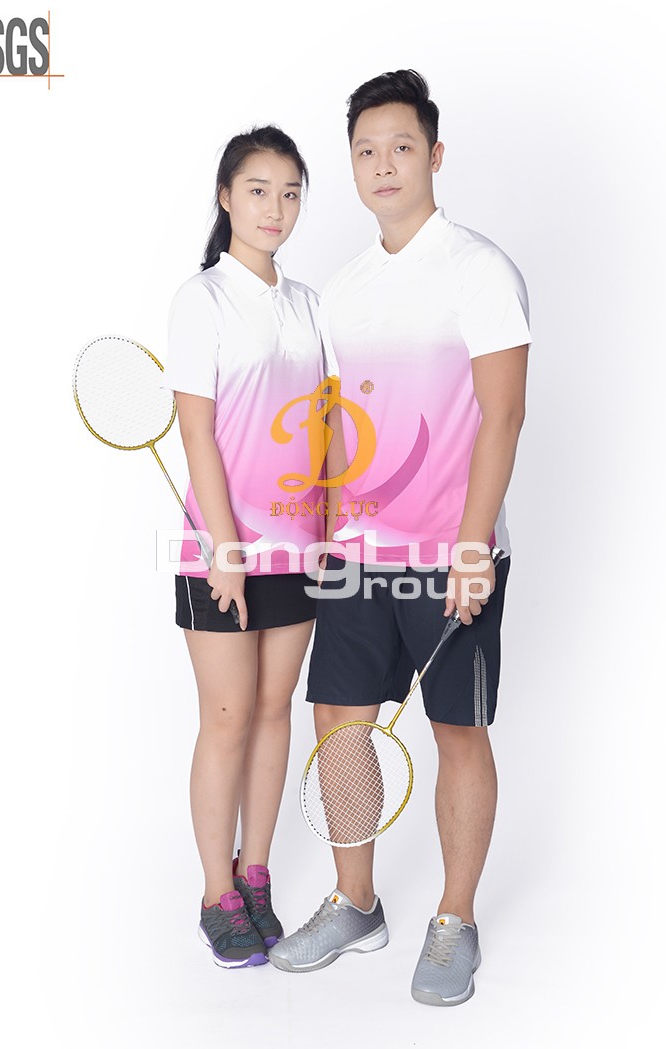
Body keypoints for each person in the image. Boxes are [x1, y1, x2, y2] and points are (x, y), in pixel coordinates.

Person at [268, 70, 532, 1007]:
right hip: (360, 556)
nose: (384, 165)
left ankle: (454, 918)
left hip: (452, 557)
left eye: (402, 147)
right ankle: (356, 901)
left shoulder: (479, 269)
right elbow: (341, 421)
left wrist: (472, 546)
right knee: (339, 724)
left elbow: (502, 416)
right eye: (367, 151)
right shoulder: (342, 290)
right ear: (352, 164)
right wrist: (332, 529)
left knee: (457, 730)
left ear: (435, 155)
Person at [161, 125, 327, 969]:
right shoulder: (203, 299)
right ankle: (214, 892)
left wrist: (330, 532)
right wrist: (223, 548)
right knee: (225, 717)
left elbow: (326, 425)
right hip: (221, 550)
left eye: (291, 192)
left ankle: (254, 875)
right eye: (259, 190)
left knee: (272, 709)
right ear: (226, 197)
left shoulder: (307, 303)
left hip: (299, 546)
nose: (275, 207)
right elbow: (197, 433)